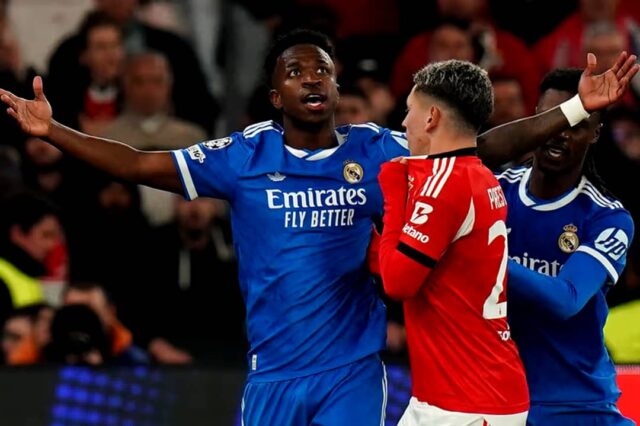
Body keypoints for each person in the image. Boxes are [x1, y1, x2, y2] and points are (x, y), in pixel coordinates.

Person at [0, 28, 637, 426]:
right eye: (296, 71)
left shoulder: (378, 150)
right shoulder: (243, 156)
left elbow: (477, 147)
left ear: (335, 87)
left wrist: (576, 108)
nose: (313, 78)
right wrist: (53, 131)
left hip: (352, 372)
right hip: (272, 374)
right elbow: (139, 163)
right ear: (275, 96)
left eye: (324, 70)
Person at [377, 60, 529, 424]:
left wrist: (395, 193)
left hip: (467, 401)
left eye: (409, 111)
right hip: (460, 393)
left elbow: (397, 282)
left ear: (431, 117)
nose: (404, 123)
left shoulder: (445, 185)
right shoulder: (480, 175)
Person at [498, 68, 635, 425]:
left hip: (575, 404)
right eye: (552, 119)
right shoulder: (492, 192)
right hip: (495, 398)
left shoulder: (607, 218)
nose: (559, 133)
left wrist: (486, 254)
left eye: (574, 124)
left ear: (595, 133)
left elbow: (567, 298)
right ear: (535, 121)